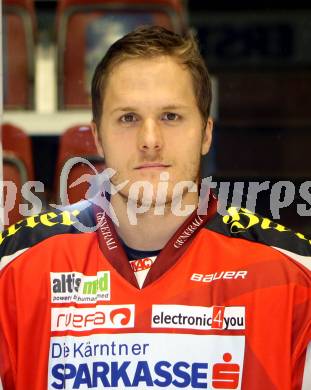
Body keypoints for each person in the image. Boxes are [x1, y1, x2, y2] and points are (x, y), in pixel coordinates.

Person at [0, 25, 310, 390]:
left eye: (171, 116)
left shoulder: (292, 275)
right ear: (98, 135)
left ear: (206, 133)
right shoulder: (15, 267)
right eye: (128, 118)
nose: (150, 141)